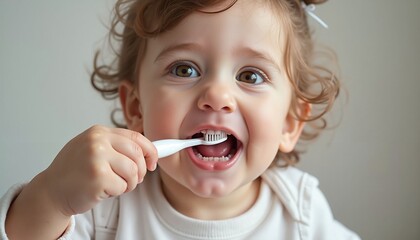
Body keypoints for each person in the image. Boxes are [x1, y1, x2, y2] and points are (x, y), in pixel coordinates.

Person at [0, 0, 361, 239]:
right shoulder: (105, 208)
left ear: (290, 122)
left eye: (251, 76)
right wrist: (52, 197)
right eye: (185, 69)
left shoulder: (302, 215)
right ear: (137, 109)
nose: (217, 96)